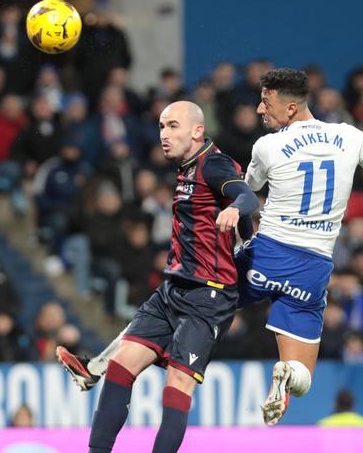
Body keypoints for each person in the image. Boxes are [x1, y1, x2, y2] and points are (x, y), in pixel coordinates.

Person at [57, 69, 363, 427]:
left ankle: (98, 366)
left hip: (265, 254)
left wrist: (231, 222)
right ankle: (284, 373)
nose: (258, 109)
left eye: (265, 102)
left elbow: (244, 194)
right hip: (313, 267)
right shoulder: (352, 137)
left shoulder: (267, 146)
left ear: (289, 108)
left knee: (179, 296)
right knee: (302, 379)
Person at [65, 101, 257, 453]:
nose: (163, 135)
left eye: (172, 126)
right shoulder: (185, 166)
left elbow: (246, 196)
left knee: (177, 383)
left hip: (208, 296)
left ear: (197, 131)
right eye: (161, 127)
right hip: (173, 289)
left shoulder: (214, 164)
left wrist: (235, 210)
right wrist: (242, 230)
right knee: (121, 366)